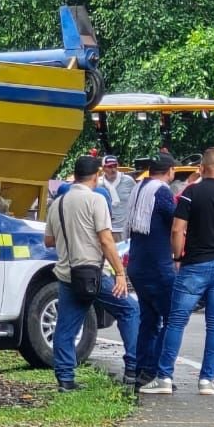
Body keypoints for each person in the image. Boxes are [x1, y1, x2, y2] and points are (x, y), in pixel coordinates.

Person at [141, 147, 214, 396]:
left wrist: (177, 256)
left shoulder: (191, 193)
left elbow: (177, 230)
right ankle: (207, 380)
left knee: (177, 321)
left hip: (193, 265)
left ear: (201, 168)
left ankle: (164, 377)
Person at [43, 155, 139, 391]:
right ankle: (133, 367)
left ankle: (65, 378)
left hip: (67, 273)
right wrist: (119, 273)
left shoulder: (58, 203)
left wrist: (73, 238)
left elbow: (48, 241)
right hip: (93, 273)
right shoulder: (96, 201)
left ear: (74, 175)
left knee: (66, 326)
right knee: (130, 310)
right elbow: (106, 240)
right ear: (96, 175)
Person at [127, 154, 178, 388]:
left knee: (148, 319)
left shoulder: (139, 188)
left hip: (137, 263)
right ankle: (157, 371)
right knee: (171, 319)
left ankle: (140, 369)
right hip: (158, 265)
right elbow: (177, 220)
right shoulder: (162, 191)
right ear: (170, 170)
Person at [99, 155, 137, 240]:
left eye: (115, 166)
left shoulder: (128, 181)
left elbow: (136, 200)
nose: (113, 169)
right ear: (103, 168)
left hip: (126, 229)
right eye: (109, 167)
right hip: (107, 229)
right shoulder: (99, 184)